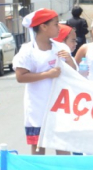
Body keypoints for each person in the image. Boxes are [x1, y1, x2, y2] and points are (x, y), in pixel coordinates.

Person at [14, 9, 77, 155]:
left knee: (62, 145)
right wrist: (47, 74)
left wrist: (68, 60)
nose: (59, 28)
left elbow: (74, 72)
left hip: (60, 105)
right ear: (43, 26)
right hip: (37, 105)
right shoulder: (27, 50)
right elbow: (21, 76)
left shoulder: (61, 48)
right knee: (38, 145)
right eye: (55, 24)